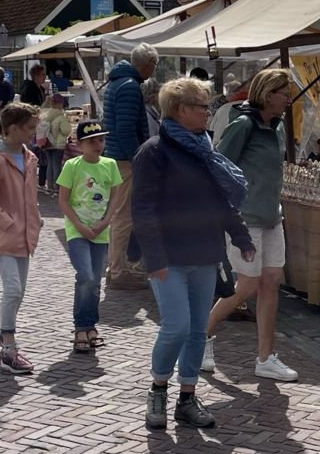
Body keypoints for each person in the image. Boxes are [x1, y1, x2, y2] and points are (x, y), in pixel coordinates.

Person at [133, 77, 255, 430]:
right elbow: (142, 210)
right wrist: (153, 259)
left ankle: (187, 397)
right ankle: (158, 389)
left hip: (205, 252)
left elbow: (222, 201)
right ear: (181, 109)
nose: (208, 112)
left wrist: (241, 237)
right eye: (203, 106)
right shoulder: (153, 152)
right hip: (169, 255)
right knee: (176, 326)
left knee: (198, 330)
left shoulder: (206, 150)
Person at [203, 69, 296, 381]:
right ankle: (201, 336)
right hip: (245, 217)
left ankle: (266, 357)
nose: (289, 98)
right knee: (247, 285)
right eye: (284, 92)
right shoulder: (242, 125)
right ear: (268, 93)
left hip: (273, 216)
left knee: (271, 282)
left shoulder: (279, 127)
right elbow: (217, 166)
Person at [0, 102, 43, 375]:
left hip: (24, 236)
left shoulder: (29, 157)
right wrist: (9, 222)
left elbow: (30, 197)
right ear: (13, 129)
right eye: (29, 128)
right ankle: (9, 347)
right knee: (13, 289)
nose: (33, 133)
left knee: (19, 292)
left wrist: (34, 218)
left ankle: (5, 336)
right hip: (6, 237)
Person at [57, 119, 122, 354]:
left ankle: (91, 325)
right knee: (85, 275)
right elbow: (63, 200)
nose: (98, 144)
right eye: (92, 141)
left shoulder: (111, 164)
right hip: (77, 231)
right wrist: (79, 226)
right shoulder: (72, 166)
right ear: (80, 143)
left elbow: (115, 197)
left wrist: (106, 221)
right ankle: (80, 327)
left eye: (101, 140)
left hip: (101, 231)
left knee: (95, 281)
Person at [105, 42, 158, 288]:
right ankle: (118, 271)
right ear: (147, 64)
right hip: (125, 159)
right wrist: (137, 157)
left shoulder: (118, 82)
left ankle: (116, 267)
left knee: (119, 214)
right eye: (154, 65)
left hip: (116, 156)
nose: (153, 70)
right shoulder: (130, 87)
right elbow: (126, 128)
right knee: (124, 215)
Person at [38, 94, 70, 195]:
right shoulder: (60, 116)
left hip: (46, 143)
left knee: (49, 165)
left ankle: (49, 186)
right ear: (60, 103)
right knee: (57, 166)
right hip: (58, 144)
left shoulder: (44, 114)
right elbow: (66, 131)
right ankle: (56, 188)